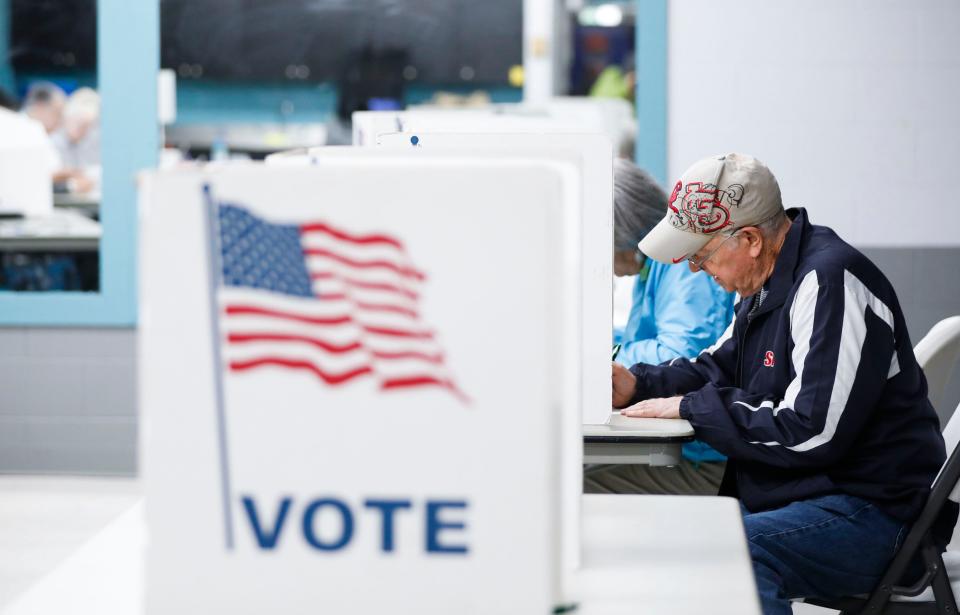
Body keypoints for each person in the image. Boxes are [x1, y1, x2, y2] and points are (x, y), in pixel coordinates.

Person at [610, 153, 956, 614]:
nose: (696, 270)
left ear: (750, 240)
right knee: (682, 541)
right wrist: (635, 384)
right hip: (813, 495)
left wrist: (693, 408)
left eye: (703, 255)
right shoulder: (767, 287)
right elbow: (717, 367)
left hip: (875, 514)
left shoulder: (831, 284)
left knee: (729, 550)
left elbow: (812, 431)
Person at [584, 158, 734, 496]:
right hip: (695, 448)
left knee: (581, 485)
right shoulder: (653, 266)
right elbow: (645, 339)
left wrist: (601, 353)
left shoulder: (680, 264)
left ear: (621, 232)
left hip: (707, 460)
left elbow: (682, 354)